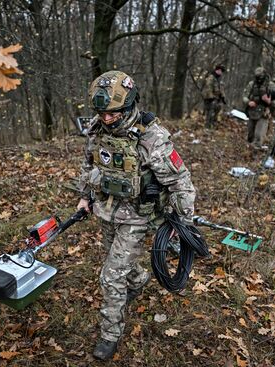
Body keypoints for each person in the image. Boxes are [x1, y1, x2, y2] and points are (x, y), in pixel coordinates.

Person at [76, 70, 196, 360]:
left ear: (130, 105)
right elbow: (88, 162)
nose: (106, 118)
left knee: (110, 275)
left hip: (137, 216)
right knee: (117, 262)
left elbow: (180, 182)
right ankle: (139, 281)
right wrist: (84, 197)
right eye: (101, 112)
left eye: (113, 113)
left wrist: (185, 224)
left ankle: (110, 335)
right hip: (107, 209)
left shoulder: (151, 138)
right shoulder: (97, 129)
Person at [242, 66, 275, 149]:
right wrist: (249, 102)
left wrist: (269, 98)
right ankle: (250, 147)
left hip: (264, 111)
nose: (259, 79)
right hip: (252, 111)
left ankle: (256, 150)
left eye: (260, 76)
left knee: (259, 134)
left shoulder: (270, 84)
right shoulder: (251, 84)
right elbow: (244, 96)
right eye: (257, 76)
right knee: (250, 134)